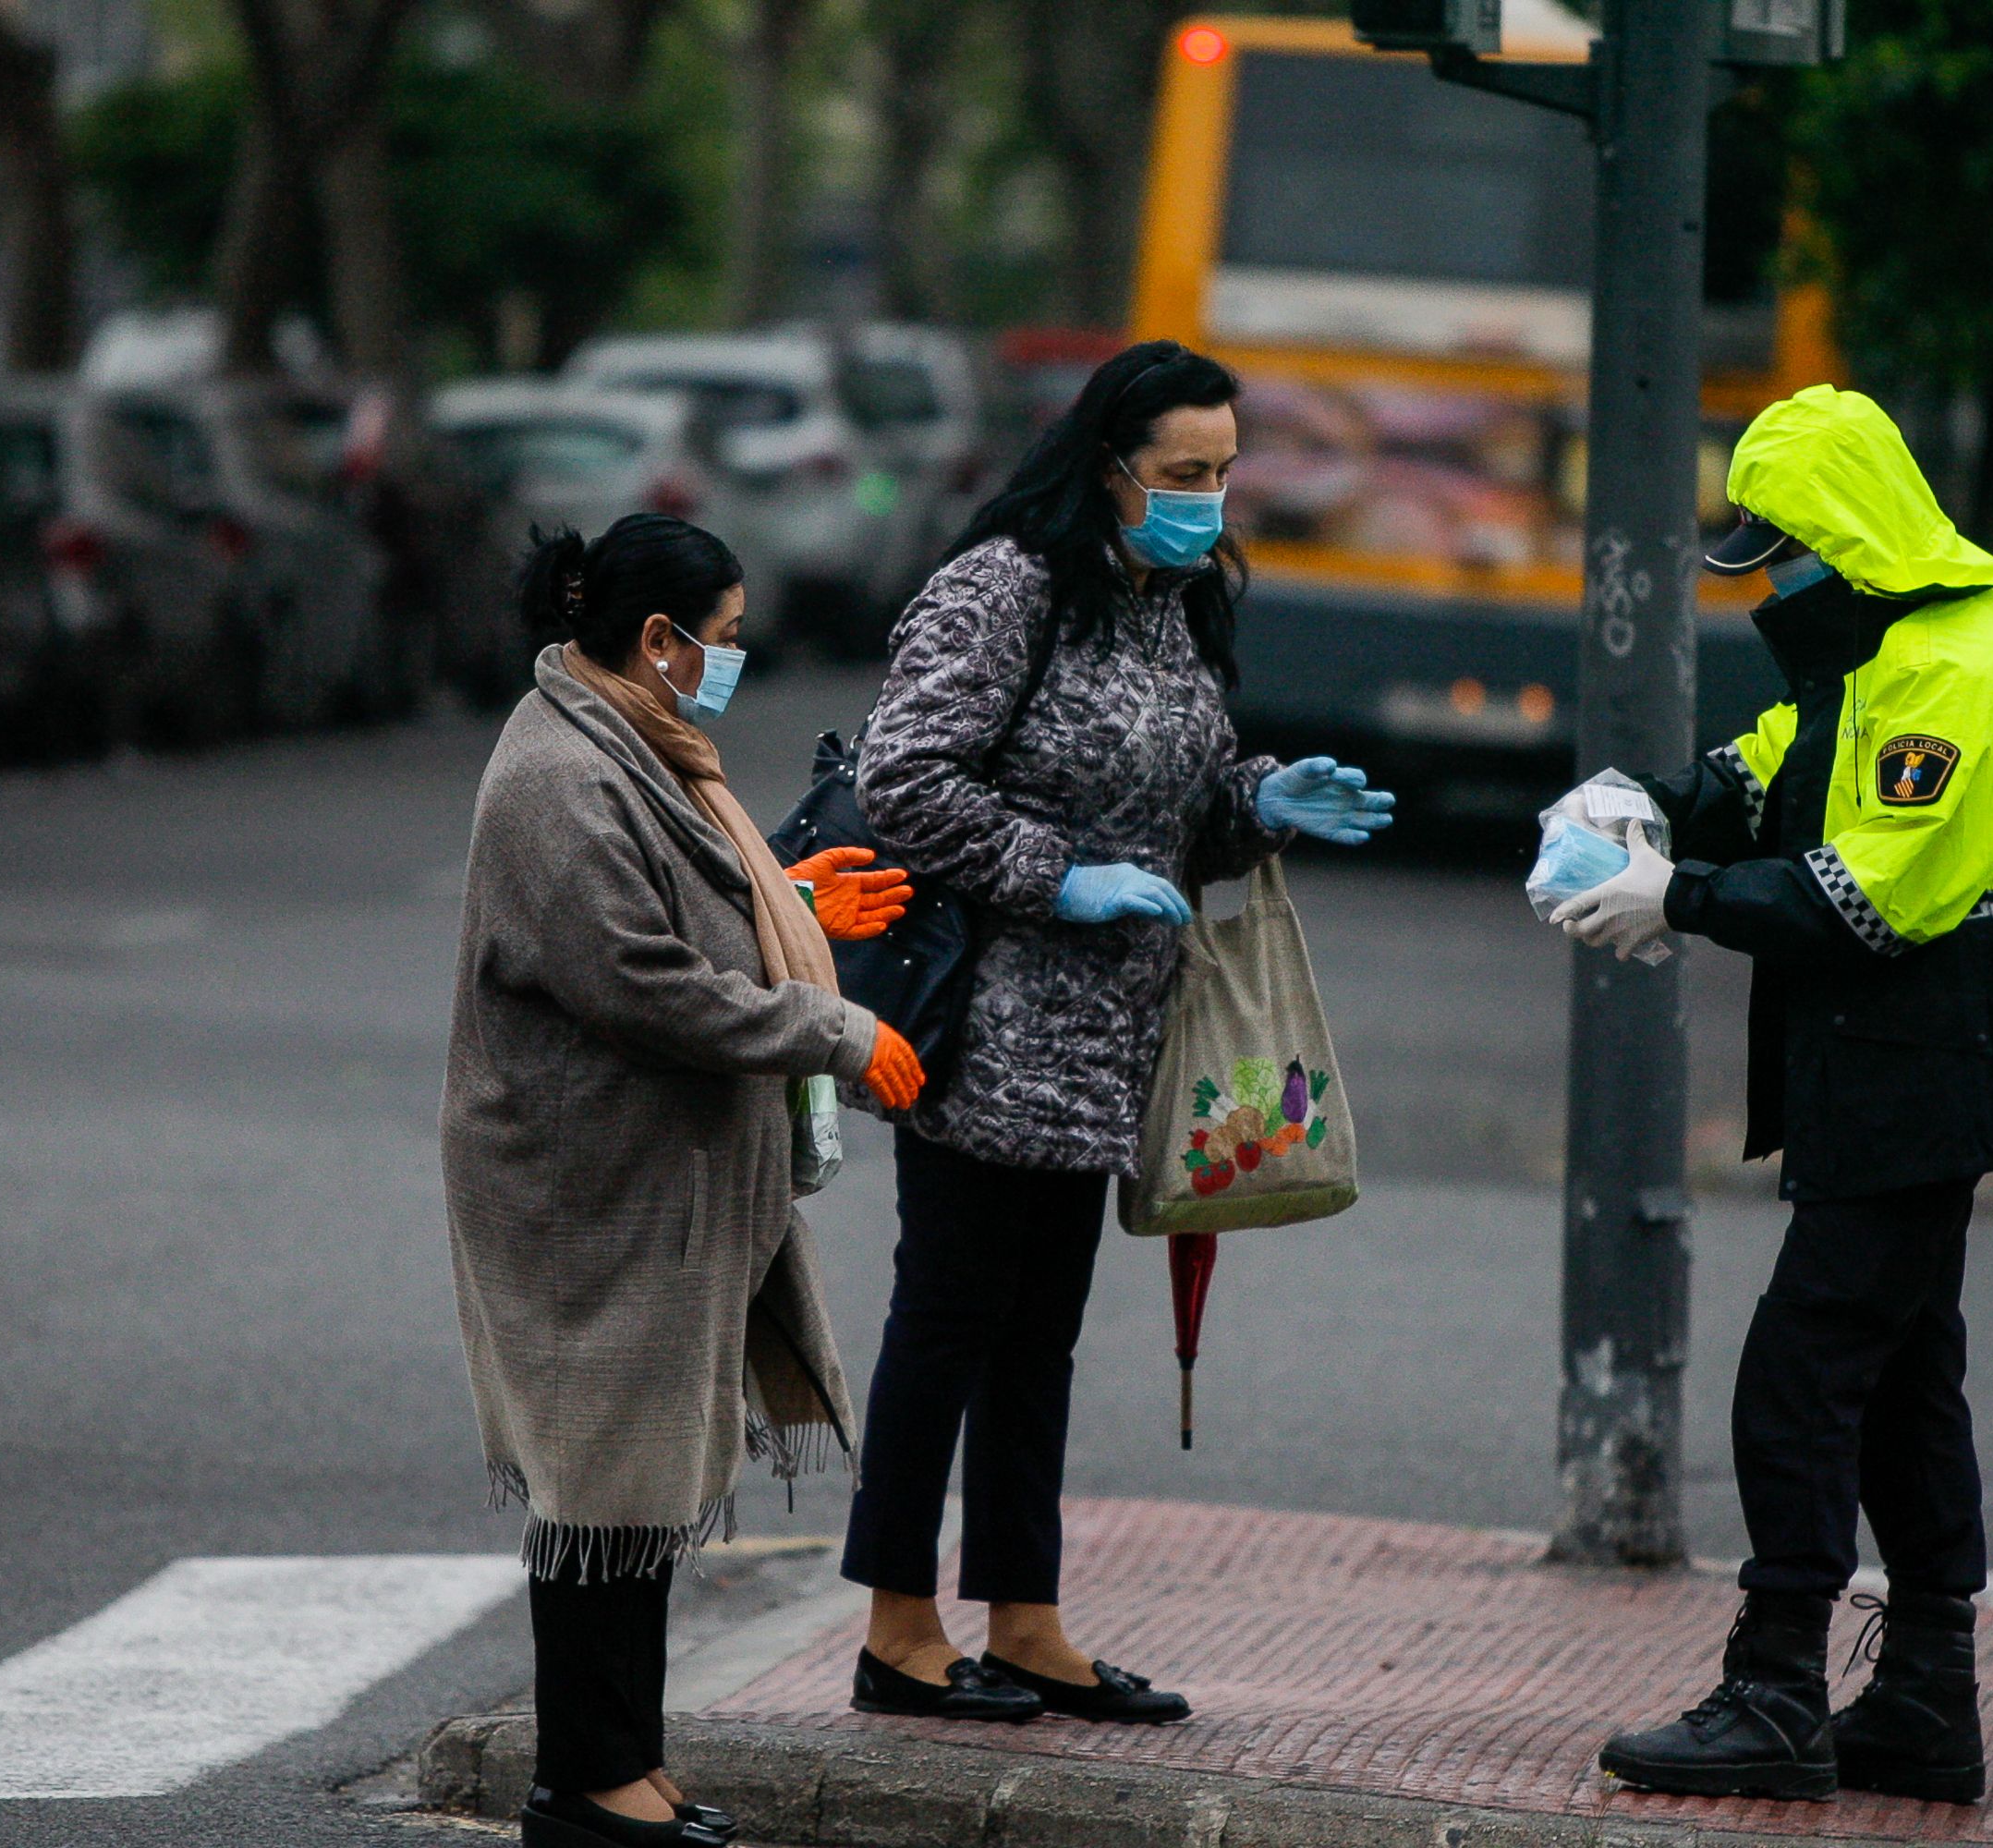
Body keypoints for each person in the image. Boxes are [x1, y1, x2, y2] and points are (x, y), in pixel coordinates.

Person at [1562, 385, 1993, 1805]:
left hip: (1935, 1060)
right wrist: (1648, 806)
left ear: (1847, 539)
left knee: (1801, 1375)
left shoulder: (1965, 671)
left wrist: (1670, 895)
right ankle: (1927, 1701)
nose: (1774, 585)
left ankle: (1777, 1691)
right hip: (1892, 1063)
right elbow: (1776, 772)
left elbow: (1880, 892)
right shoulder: (1877, 656)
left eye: (1783, 553)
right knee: (1905, 1380)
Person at [837, 339, 1393, 1724]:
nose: (1210, 499)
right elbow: (901, 778)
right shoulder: (1004, 589)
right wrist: (1054, 873)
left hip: (1103, 1054)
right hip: (981, 1034)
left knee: (1042, 1340)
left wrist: (1258, 802)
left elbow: (1176, 808)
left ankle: (1025, 1618)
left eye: (1224, 472)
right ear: (1108, 469)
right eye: (1183, 474)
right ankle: (898, 1626)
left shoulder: (1170, 603)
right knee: (946, 1324)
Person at [443, 514, 926, 1848]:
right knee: (601, 1486)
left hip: (652, 1175)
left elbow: (681, 909)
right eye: (719, 636)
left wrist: (792, 896)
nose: (732, 659)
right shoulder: (559, 773)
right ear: (656, 640)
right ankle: (590, 1787)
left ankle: (626, 1770)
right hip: (580, 1181)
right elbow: (640, 981)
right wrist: (840, 1026)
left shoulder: (628, 739)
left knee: (638, 1490)